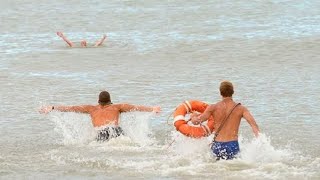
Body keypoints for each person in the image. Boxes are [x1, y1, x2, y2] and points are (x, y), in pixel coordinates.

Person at [39, 91, 161, 141]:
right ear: (110, 101)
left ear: (98, 101)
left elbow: (71, 108)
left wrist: (52, 107)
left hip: (101, 132)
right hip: (116, 130)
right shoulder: (117, 107)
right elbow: (136, 107)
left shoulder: (90, 108)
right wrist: (152, 109)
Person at [191, 81, 260, 160]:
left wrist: (193, 116)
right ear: (233, 92)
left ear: (220, 93)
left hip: (218, 145)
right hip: (232, 144)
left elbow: (196, 121)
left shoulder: (213, 107)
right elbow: (254, 125)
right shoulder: (241, 109)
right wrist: (259, 141)